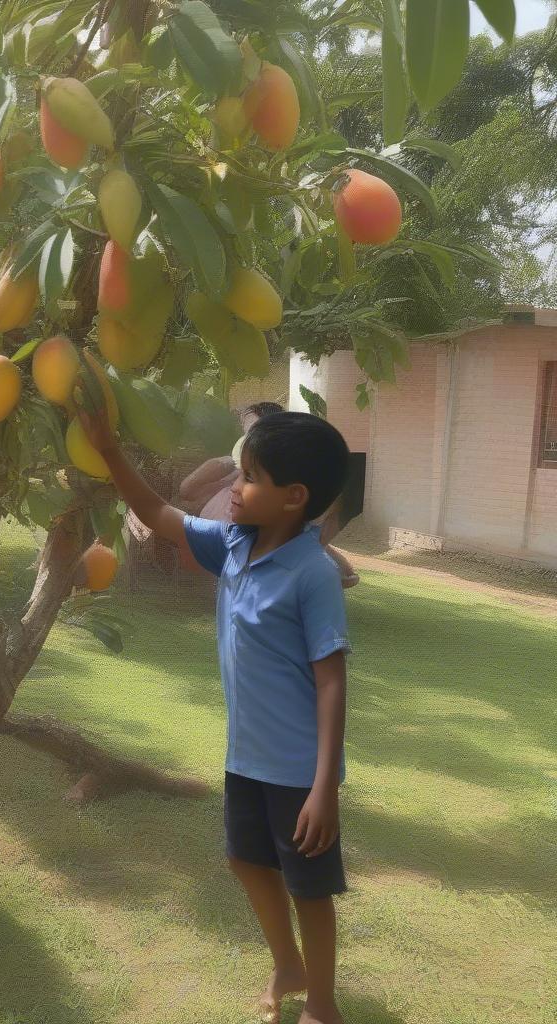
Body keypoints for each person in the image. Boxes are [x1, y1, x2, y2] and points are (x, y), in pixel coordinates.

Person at [81, 407, 352, 1024]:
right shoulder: (234, 545)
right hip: (246, 754)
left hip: (296, 768)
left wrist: (323, 787)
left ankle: (323, 1004)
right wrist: (108, 448)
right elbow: (159, 515)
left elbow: (331, 681)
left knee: (308, 887)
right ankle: (287, 965)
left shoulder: (312, 574)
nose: (233, 486)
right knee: (245, 860)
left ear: (294, 497)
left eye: (249, 476)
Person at [178, 403, 360, 588]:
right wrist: (228, 463)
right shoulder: (231, 474)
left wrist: (344, 572)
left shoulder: (276, 491)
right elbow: (187, 490)